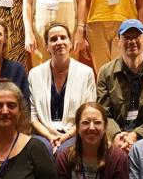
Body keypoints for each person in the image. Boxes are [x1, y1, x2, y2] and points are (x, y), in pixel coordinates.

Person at [95, 20, 143, 156]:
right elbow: (103, 113)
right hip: (116, 138)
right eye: (127, 37)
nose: (132, 41)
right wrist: (116, 136)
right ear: (119, 41)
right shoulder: (105, 72)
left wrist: (136, 134)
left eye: (136, 36)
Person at [29, 22, 97, 154]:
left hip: (75, 133)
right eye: (53, 39)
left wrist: (66, 136)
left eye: (63, 37)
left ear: (70, 43)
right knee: (42, 149)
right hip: (43, 135)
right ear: (47, 46)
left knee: (64, 151)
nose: (59, 42)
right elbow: (32, 116)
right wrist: (49, 137)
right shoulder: (34, 74)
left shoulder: (86, 73)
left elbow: (88, 113)